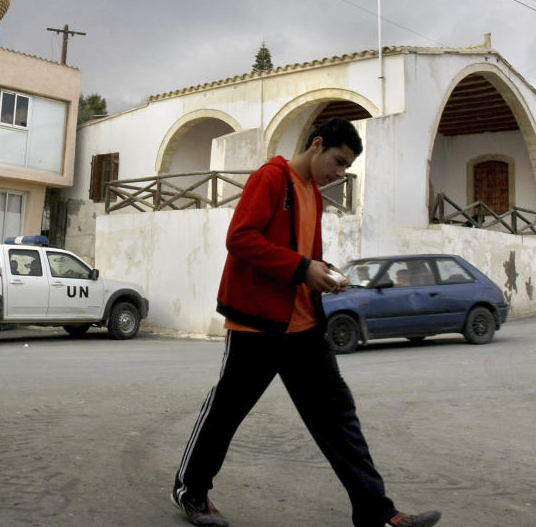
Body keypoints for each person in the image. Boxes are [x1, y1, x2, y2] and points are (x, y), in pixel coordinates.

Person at [171, 118, 441, 527]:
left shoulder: (314, 193)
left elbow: (301, 255)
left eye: (347, 166)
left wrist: (324, 272)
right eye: (338, 160)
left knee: (340, 419)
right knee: (226, 412)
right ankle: (190, 492)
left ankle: (377, 514)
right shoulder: (271, 178)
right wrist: (302, 268)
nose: (341, 172)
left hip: (304, 328)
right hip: (256, 327)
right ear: (316, 145)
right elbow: (240, 238)